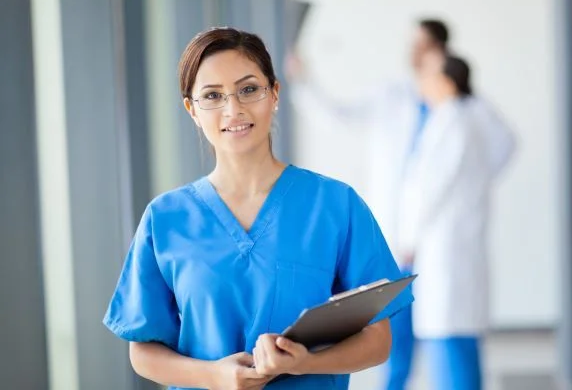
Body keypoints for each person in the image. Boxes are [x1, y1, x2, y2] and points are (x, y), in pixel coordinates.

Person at [102, 27, 413, 390]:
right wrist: (214, 376)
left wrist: (306, 363)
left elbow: (378, 341)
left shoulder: (335, 205)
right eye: (213, 96)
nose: (233, 109)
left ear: (274, 93)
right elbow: (142, 352)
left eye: (249, 89)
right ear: (191, 110)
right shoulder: (166, 218)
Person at [286, 18, 515, 389]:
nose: (415, 53)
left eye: (423, 46)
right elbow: (337, 117)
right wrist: (302, 81)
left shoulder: (461, 109)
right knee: (397, 336)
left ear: (441, 53)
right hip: (400, 239)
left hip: (437, 244)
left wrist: (468, 190)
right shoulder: (393, 95)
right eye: (412, 45)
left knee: (447, 338)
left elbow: (497, 149)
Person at [397, 50, 500, 390]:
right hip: (450, 246)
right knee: (454, 338)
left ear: (446, 81)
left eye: (428, 75)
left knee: (450, 339)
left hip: (447, 249)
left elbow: (430, 190)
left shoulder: (453, 121)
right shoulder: (454, 119)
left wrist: (408, 239)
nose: (422, 82)